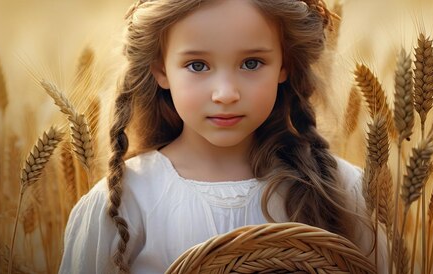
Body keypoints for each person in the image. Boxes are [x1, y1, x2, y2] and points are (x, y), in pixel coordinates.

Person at [60, 0, 386, 273]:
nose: (226, 94)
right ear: (161, 70)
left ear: (284, 64)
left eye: (252, 62)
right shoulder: (124, 203)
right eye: (198, 65)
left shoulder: (342, 190)